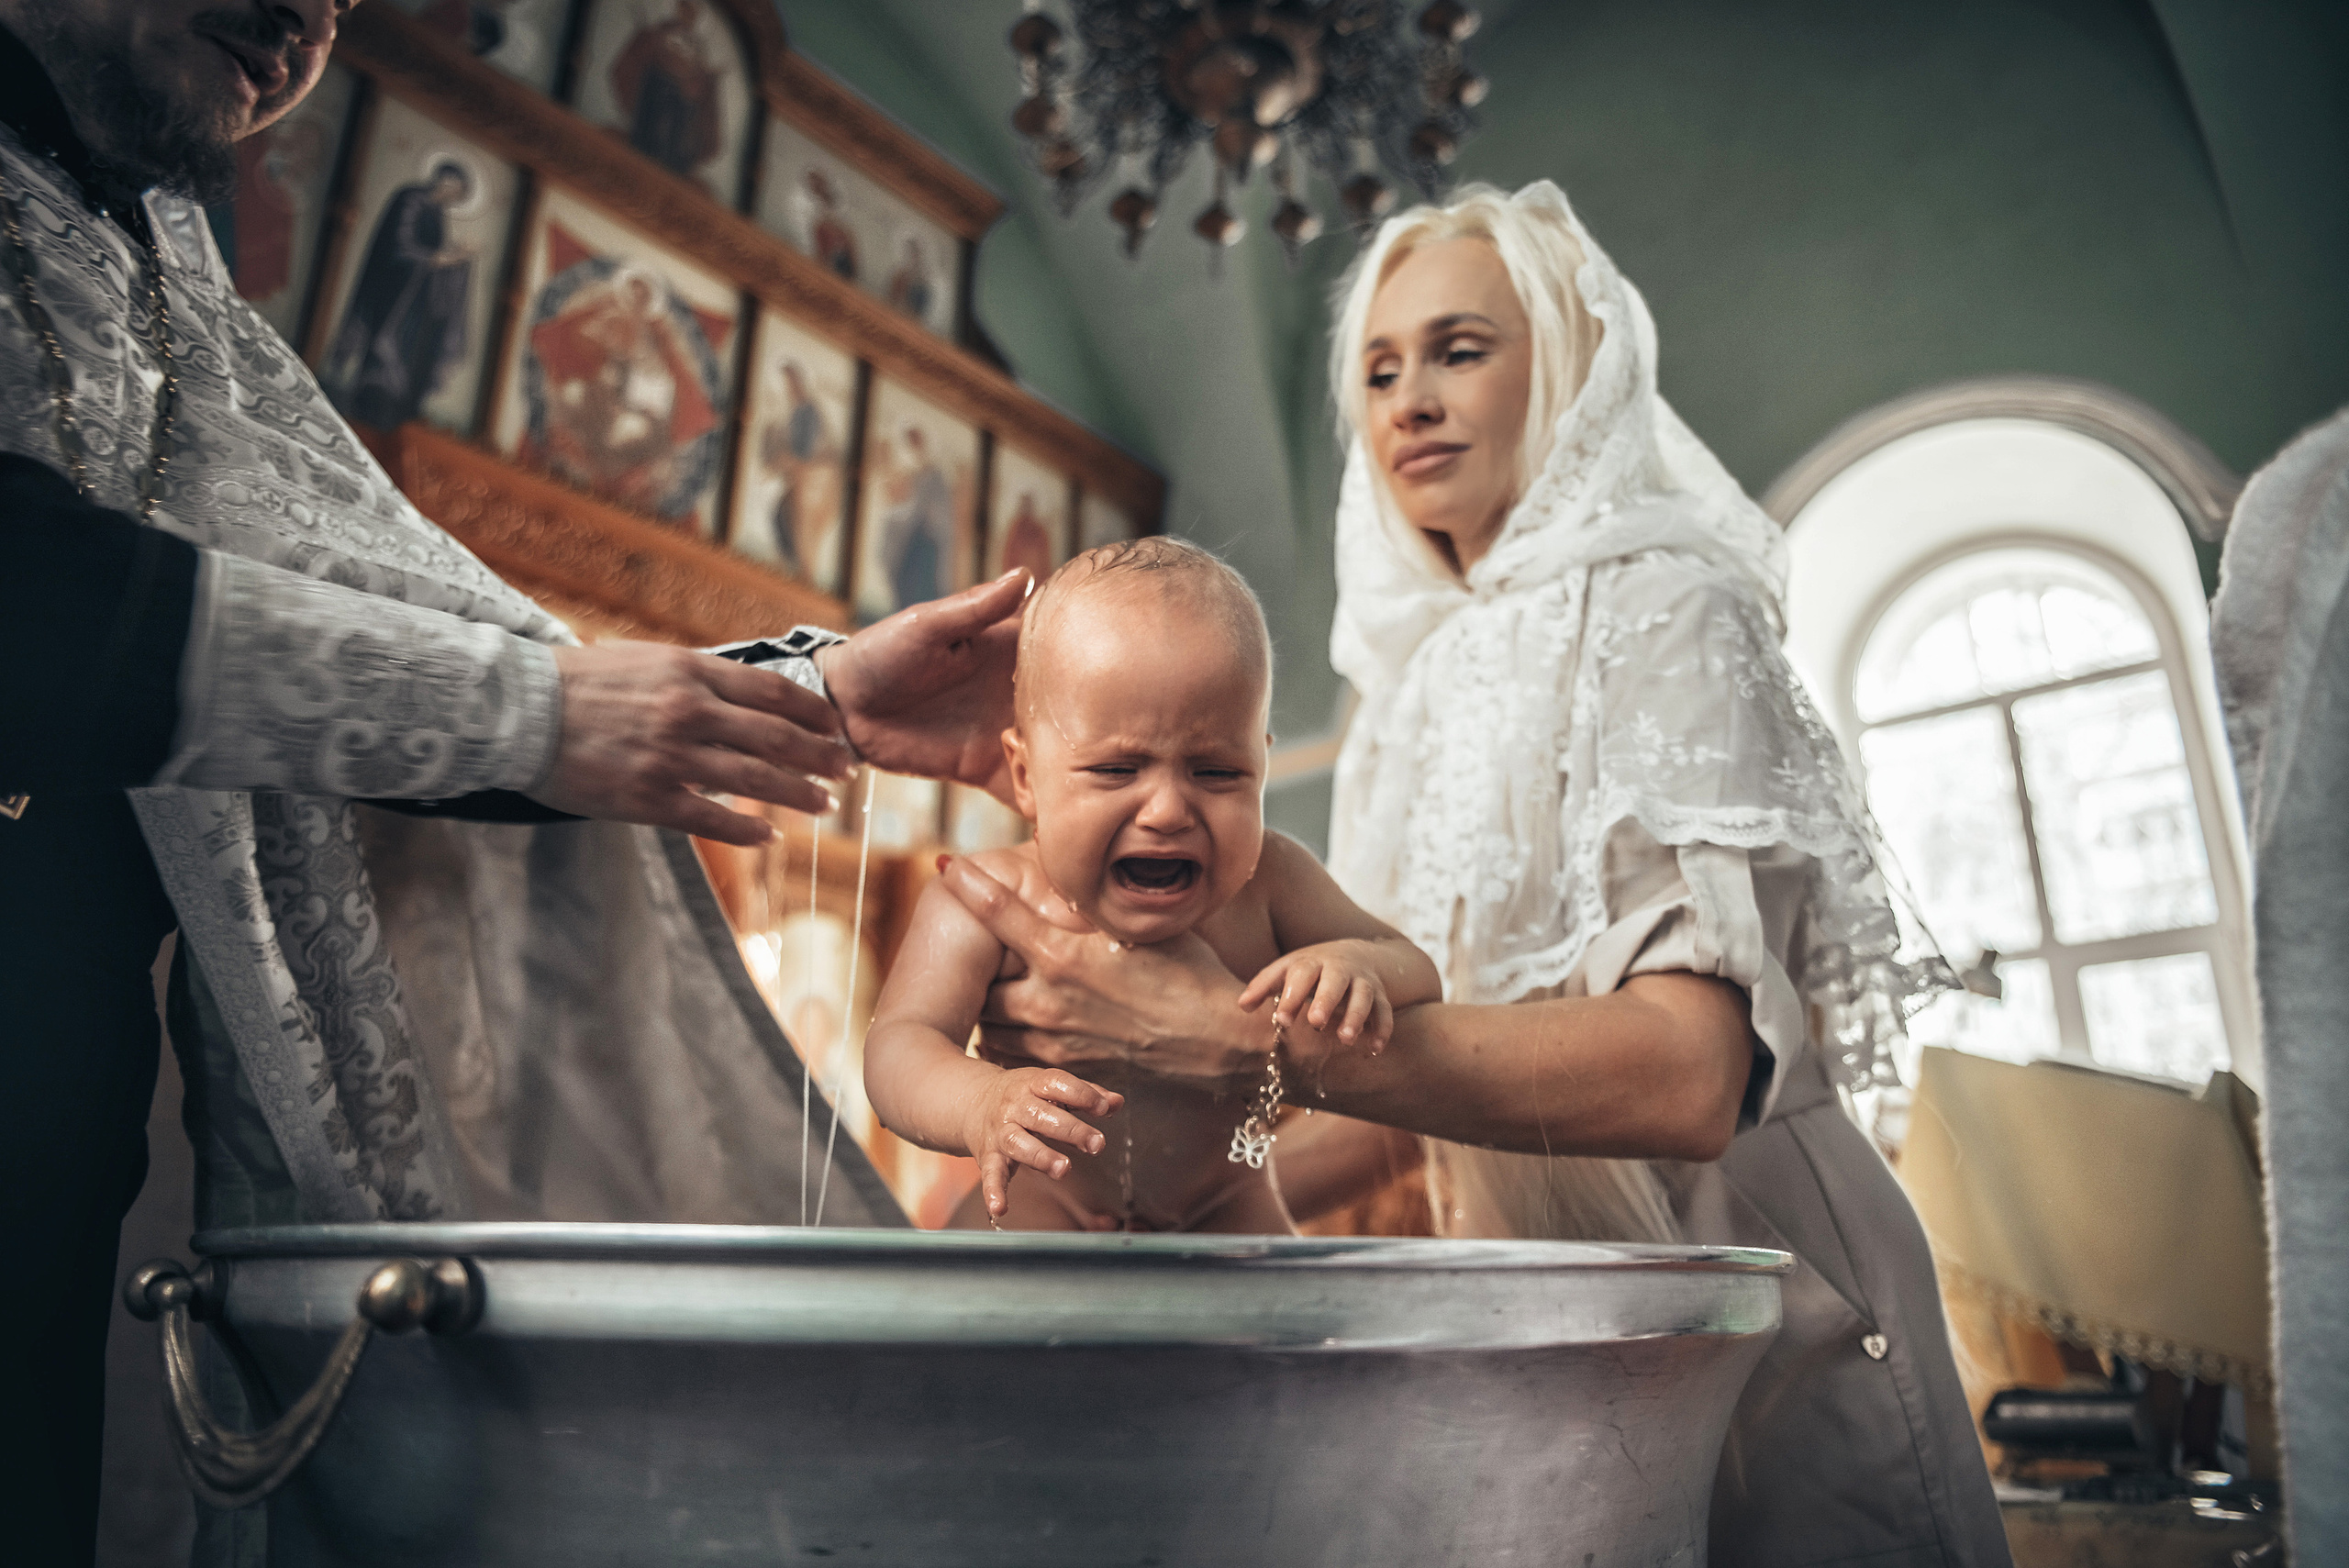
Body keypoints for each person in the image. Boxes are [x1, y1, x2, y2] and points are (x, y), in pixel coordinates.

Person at [0, 1, 1027, 1559]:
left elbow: (378, 639)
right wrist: (534, 712)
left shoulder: (159, 267)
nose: (305, 23)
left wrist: (800, 689)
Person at [935, 182, 2012, 1567]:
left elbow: (1690, 1079)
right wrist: (1154, 1178)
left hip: (1767, 1293)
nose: (1409, 402)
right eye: (1377, 370)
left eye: (1459, 350)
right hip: (1554, 1324)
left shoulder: (1667, 605)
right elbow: (1382, 1092)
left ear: (1565, 363)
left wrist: (1218, 1042)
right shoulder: (1407, 693)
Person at [864, 539, 1440, 1231]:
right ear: (1025, 776)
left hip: (1225, 1204)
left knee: (1292, 1327)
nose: (1167, 810)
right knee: (972, 1311)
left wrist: (1359, 964)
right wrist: (981, 1102)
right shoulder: (987, 900)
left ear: (1262, 761)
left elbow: (1418, 968)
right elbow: (898, 1047)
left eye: (1217, 772)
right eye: (1115, 770)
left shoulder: (1272, 882)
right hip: (1048, 1200)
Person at [321, 159, 475, 429]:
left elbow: (433, 254)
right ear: (444, 180)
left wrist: (456, 260)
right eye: (455, 190)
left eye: (459, 195)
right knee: (384, 350)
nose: (453, 197)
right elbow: (400, 245)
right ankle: (369, 406)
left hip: (417, 302)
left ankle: (394, 414)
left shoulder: (437, 213)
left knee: (410, 357)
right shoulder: (411, 199)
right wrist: (439, 258)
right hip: (392, 293)